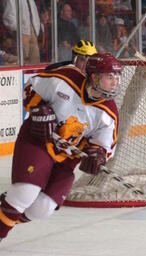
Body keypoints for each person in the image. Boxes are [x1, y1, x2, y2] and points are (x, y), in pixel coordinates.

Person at [0, 52, 122, 241]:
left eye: (117, 77)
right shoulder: (65, 79)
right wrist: (39, 109)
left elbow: (104, 146)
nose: (115, 82)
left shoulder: (109, 113)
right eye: (109, 76)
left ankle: (6, 213)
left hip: (66, 159)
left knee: (42, 208)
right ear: (94, 75)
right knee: (24, 193)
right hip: (39, 141)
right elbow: (31, 88)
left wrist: (97, 156)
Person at [2, 0, 40, 65]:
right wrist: (17, 29)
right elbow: (8, 16)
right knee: (22, 60)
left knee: (35, 59)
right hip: (21, 31)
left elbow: (34, 13)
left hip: (33, 29)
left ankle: (34, 75)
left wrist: (37, 27)